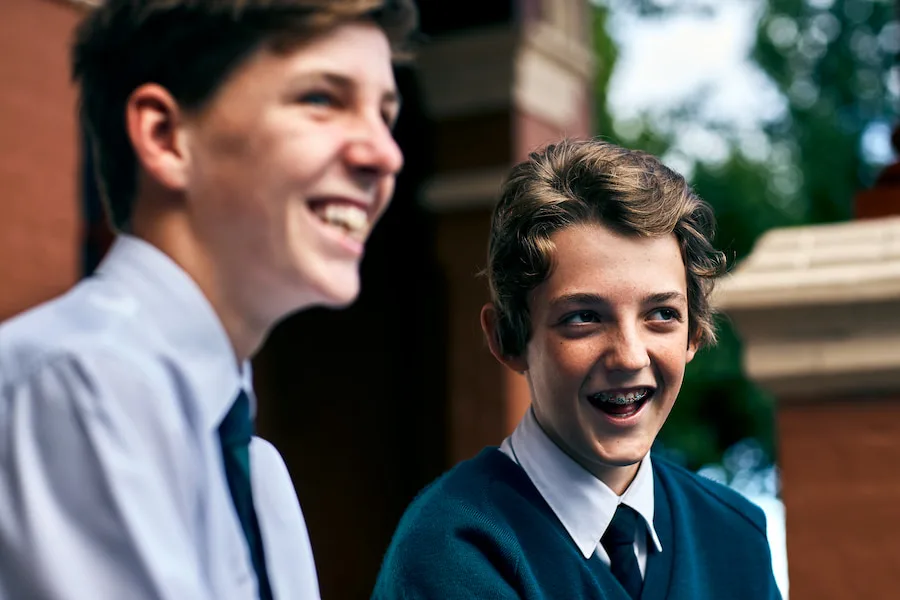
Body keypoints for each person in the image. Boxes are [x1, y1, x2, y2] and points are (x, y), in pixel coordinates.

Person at [0, 0, 416, 598]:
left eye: (385, 114)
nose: (385, 155)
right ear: (166, 136)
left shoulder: (259, 476)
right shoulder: (83, 382)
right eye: (322, 99)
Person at [373, 139, 781, 599]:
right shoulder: (455, 549)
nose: (629, 356)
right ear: (507, 338)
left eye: (662, 314)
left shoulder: (736, 535)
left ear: (693, 333)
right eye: (583, 318)